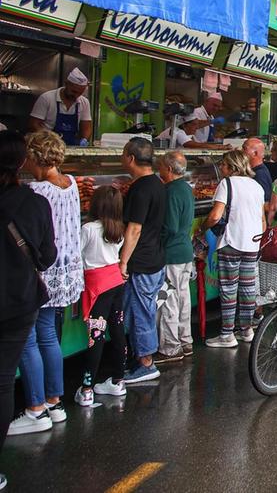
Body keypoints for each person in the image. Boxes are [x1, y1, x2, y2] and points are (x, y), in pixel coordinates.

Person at [12, 131, 80, 433]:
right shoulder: (72, 184)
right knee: (49, 336)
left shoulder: (36, 190)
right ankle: (54, 402)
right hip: (65, 268)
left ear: (35, 158)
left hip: (41, 270)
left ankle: (36, 409)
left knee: (28, 340)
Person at [0, 131, 57, 455]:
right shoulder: (35, 202)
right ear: (23, 162)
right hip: (20, 302)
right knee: (4, 380)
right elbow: (47, 256)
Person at [201, 150, 265, 347]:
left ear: (231, 166)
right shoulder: (256, 186)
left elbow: (215, 216)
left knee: (229, 288)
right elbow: (262, 219)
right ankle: (247, 330)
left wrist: (203, 228)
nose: (221, 168)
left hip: (231, 241)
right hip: (252, 243)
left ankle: (227, 334)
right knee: (247, 288)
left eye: (223, 165)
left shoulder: (226, 184)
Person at [118, 137, 167, 383]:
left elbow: (134, 229)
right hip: (155, 257)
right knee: (141, 310)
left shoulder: (140, 188)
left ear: (131, 158)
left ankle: (146, 363)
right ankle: (139, 357)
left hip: (142, 261)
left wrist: (123, 261)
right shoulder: (158, 184)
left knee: (141, 312)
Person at [75, 186, 128, 406]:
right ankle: (118, 380)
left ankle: (87, 389)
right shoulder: (119, 229)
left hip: (97, 287)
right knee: (117, 331)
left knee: (95, 337)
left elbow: (76, 255)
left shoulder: (88, 229)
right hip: (116, 281)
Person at [154, 151, 195, 364]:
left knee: (168, 300)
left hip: (171, 252)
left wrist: (154, 240)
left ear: (169, 169)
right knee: (183, 298)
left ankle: (170, 347)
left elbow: (169, 226)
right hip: (185, 251)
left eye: (160, 166)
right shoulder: (186, 188)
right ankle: (185, 340)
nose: (158, 169)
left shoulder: (169, 191)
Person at [28, 67, 92, 146]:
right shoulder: (46, 98)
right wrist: (49, 139)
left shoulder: (84, 102)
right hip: (47, 146)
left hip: (71, 145)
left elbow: (87, 127)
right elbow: (33, 124)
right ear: (66, 84)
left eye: (80, 93)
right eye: (73, 91)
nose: (76, 95)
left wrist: (84, 140)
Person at [156, 118, 228, 150]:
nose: (196, 127)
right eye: (194, 125)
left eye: (197, 125)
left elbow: (198, 145)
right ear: (185, 125)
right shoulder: (177, 131)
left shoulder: (188, 133)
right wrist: (219, 147)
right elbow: (192, 145)